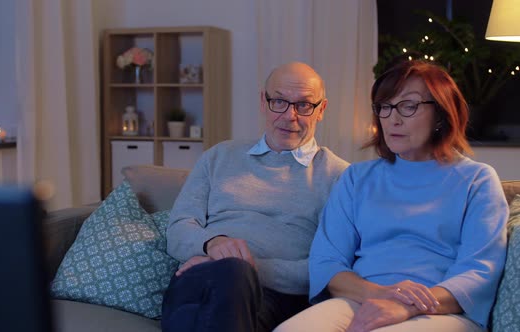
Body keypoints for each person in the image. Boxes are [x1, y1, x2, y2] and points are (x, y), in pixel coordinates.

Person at [274, 60, 509, 332]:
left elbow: (480, 271)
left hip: (439, 311)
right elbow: (327, 263)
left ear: (442, 114)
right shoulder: (356, 178)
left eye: (408, 106)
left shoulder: (477, 180)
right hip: (363, 299)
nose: (393, 119)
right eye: (385, 107)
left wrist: (406, 305)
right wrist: (382, 296)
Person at [161, 62, 349, 332]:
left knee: (232, 279)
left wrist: (243, 266)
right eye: (279, 102)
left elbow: (328, 268)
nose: (289, 116)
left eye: (304, 105)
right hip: (198, 281)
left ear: (321, 110)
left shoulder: (339, 176)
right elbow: (178, 230)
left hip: (274, 297)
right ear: (263, 101)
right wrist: (212, 244)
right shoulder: (219, 156)